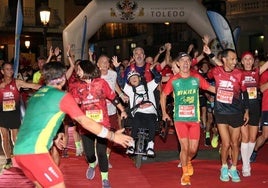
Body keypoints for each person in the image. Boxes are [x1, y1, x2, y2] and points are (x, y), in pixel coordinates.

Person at [13, 61, 132, 188]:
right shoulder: (62, 96)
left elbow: (36, 122)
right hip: (35, 153)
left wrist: (55, 136)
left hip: (19, 152)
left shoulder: (35, 96)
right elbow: (83, 121)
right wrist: (112, 136)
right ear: (63, 78)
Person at [160, 52, 215, 186]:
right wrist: (164, 113)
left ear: (190, 63)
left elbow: (210, 88)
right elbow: (163, 95)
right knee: (184, 147)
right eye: (182, 61)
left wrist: (227, 90)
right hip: (180, 119)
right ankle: (185, 174)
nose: (185, 63)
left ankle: (188, 160)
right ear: (178, 64)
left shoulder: (196, 78)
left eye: (188, 61)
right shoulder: (174, 80)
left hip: (194, 119)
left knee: (193, 149)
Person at [73, 60, 127, 188]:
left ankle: (105, 179)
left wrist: (123, 110)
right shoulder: (77, 86)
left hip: (103, 124)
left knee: (102, 152)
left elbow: (113, 97)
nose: (77, 72)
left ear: (87, 70)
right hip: (86, 126)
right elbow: (74, 104)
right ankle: (92, 164)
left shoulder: (101, 83)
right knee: (89, 153)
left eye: (79, 69)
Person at [207, 48, 249, 183]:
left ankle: (233, 168)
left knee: (235, 143)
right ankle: (224, 167)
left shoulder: (239, 74)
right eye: (232, 59)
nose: (235, 61)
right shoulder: (216, 71)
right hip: (220, 112)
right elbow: (207, 77)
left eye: (235, 59)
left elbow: (245, 93)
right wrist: (210, 56)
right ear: (224, 59)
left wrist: (246, 110)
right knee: (225, 143)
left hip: (236, 112)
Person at [0, 62, 41, 170]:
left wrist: (50, 87)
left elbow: (33, 85)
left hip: (14, 114)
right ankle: (8, 159)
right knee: (4, 138)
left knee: (15, 138)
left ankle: (19, 158)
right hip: (2, 114)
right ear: (2, 71)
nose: (10, 71)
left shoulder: (17, 82)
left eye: (11, 69)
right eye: (7, 69)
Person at [123, 63, 162, 156]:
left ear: (140, 78)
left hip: (151, 112)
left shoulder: (148, 86)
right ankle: (131, 145)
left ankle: (150, 146)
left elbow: (158, 78)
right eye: (131, 79)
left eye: (135, 77)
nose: (133, 79)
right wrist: (117, 67)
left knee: (152, 123)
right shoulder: (130, 90)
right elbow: (120, 82)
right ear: (129, 82)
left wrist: (153, 70)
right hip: (138, 112)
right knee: (135, 121)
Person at [239, 51, 268, 176]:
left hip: (255, 107)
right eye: (245, 59)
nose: (248, 61)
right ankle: (246, 166)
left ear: (253, 60)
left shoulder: (256, 72)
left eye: (250, 59)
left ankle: (246, 161)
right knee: (245, 138)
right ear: (241, 61)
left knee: (252, 139)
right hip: (243, 108)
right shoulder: (238, 73)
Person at [97, 55, 128, 168]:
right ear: (98, 65)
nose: (105, 64)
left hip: (111, 109)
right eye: (102, 62)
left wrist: (121, 95)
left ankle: (106, 157)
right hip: (99, 111)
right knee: (99, 133)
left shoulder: (113, 74)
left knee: (112, 134)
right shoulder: (95, 76)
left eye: (106, 62)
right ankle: (98, 156)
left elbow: (115, 85)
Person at [250, 66, 268, 163]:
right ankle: (254, 150)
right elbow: (261, 89)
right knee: (265, 135)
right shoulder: (265, 74)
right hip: (267, 107)